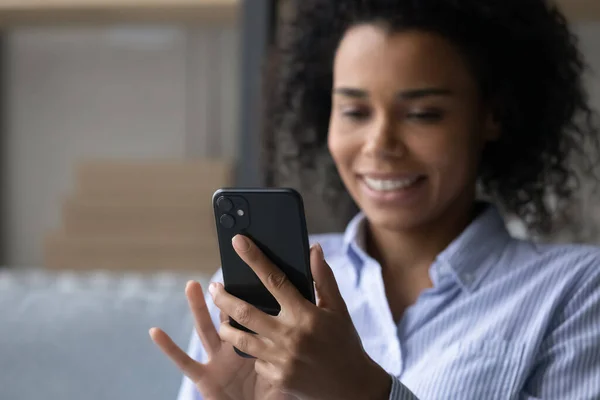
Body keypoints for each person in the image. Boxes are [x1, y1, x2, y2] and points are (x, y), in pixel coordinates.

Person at [150, 0, 600, 398]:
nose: (380, 144)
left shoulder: (576, 290)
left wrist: (365, 392)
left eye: (423, 114)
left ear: (492, 115)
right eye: (354, 111)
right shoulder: (254, 294)